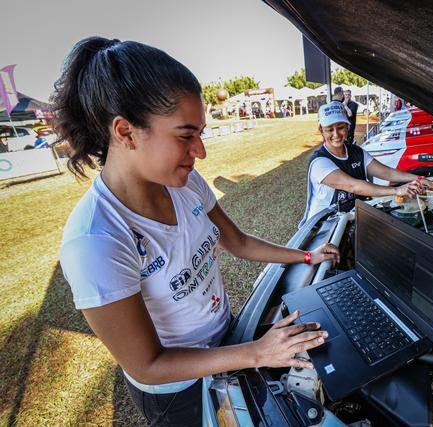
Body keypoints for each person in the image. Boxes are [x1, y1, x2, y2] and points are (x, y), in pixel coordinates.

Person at [53, 37, 339, 426]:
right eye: (186, 135)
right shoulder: (96, 240)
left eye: (200, 133)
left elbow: (236, 241)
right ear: (126, 132)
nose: (200, 151)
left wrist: (306, 256)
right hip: (176, 392)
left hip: (227, 342)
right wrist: (257, 353)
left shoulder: (185, 183)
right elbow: (149, 365)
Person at [299, 101, 433, 227]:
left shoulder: (356, 152)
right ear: (321, 130)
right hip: (322, 226)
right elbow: (354, 186)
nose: (336, 134)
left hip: (351, 217)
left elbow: (386, 172)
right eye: (329, 129)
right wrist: (397, 190)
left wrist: (417, 179)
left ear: (347, 127)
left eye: (340, 127)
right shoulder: (319, 162)